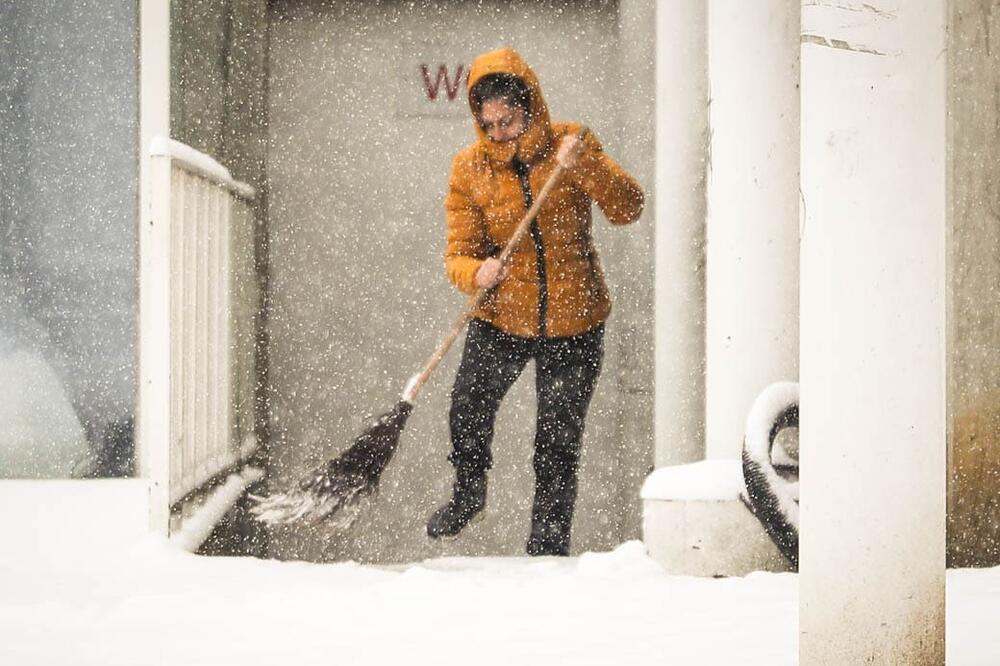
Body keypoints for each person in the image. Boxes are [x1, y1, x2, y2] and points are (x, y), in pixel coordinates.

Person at [427, 47, 644, 556]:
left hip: (575, 321)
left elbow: (628, 207)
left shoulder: (573, 142)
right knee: (468, 406)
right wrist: (477, 272)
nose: (499, 133)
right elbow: (458, 254)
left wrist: (585, 164)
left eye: (508, 121)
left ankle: (547, 548)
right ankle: (468, 493)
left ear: (530, 106)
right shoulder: (469, 169)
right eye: (489, 125)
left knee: (556, 443)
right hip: (501, 317)